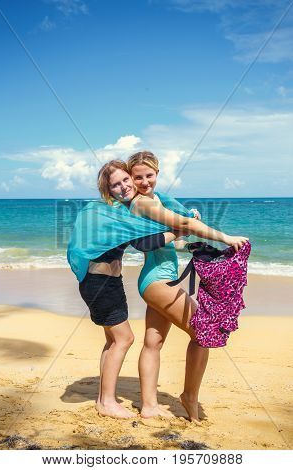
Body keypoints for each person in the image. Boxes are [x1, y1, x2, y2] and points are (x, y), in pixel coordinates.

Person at [126, 151, 249, 422]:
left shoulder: (153, 200)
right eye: (138, 177)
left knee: (153, 342)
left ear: (157, 174)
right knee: (203, 331)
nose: (145, 181)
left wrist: (185, 236)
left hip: (160, 278)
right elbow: (182, 224)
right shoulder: (140, 204)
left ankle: (149, 406)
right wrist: (226, 238)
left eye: (149, 175)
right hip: (156, 280)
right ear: (131, 179)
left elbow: (176, 242)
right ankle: (190, 396)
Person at [77, 160, 181, 419]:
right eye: (116, 184)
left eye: (126, 180)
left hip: (104, 281)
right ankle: (108, 402)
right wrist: (180, 230)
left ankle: (104, 399)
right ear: (107, 190)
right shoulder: (114, 213)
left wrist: (180, 217)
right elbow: (146, 243)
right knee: (124, 339)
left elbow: (149, 232)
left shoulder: (115, 210)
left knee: (113, 340)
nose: (123, 186)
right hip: (100, 283)